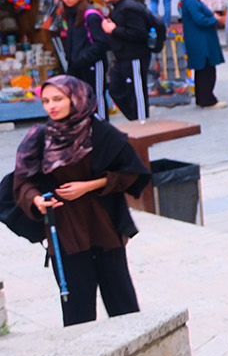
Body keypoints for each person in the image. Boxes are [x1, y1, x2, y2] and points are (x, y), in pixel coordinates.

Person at [11, 76, 151, 326]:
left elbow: (132, 172)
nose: (51, 106)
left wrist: (89, 186)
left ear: (76, 99)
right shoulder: (40, 137)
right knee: (77, 309)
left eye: (58, 99)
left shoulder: (102, 133)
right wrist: (36, 201)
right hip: (64, 228)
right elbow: (22, 182)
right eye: (45, 101)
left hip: (104, 225)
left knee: (123, 303)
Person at [97, 0, 153, 121]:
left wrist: (114, 30)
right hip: (121, 57)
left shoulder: (129, 7)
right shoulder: (118, 7)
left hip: (134, 56)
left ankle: (142, 126)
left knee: (136, 92)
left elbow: (139, 33)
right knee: (115, 90)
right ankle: (135, 120)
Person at [178, 0, 225, 108]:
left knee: (204, 70)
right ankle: (207, 100)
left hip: (200, 38)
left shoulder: (191, 0)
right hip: (200, 40)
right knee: (206, 70)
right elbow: (199, 19)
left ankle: (203, 98)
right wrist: (215, 20)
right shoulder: (191, 2)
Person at [47, 0, 107, 80]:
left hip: (92, 65)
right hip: (75, 65)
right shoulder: (71, 14)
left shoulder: (91, 15)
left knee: (94, 94)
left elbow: (101, 43)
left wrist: (83, 58)